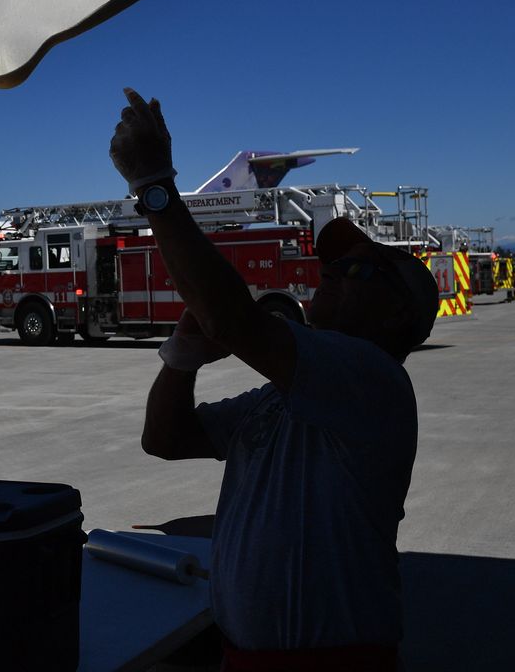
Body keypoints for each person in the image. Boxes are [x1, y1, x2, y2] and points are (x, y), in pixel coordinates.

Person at [108, 87, 438, 669]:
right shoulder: (279, 401)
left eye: (356, 269)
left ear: (395, 314)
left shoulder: (373, 380)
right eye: (331, 263)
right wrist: (181, 357)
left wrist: (153, 183)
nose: (329, 272)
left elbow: (232, 317)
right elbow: (165, 439)